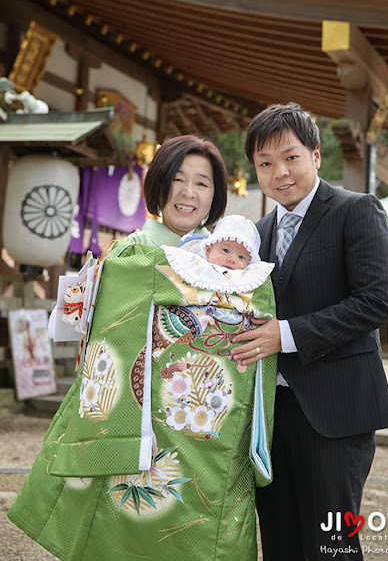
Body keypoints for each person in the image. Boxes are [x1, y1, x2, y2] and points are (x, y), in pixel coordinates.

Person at [8, 136, 278, 561]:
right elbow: (108, 328)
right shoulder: (134, 251)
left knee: (204, 522)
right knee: (124, 524)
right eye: (177, 179)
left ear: (216, 194)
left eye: (203, 183)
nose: (189, 193)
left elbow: (257, 323)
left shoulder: (237, 262)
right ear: (158, 185)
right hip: (141, 422)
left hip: (209, 421)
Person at [229, 102, 388, 561]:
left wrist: (283, 335)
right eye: (265, 164)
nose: (279, 172)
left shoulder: (356, 210)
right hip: (269, 417)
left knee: (332, 546)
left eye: (290, 157)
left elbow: (376, 302)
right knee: (280, 541)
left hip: (335, 414)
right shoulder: (255, 235)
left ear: (316, 156)